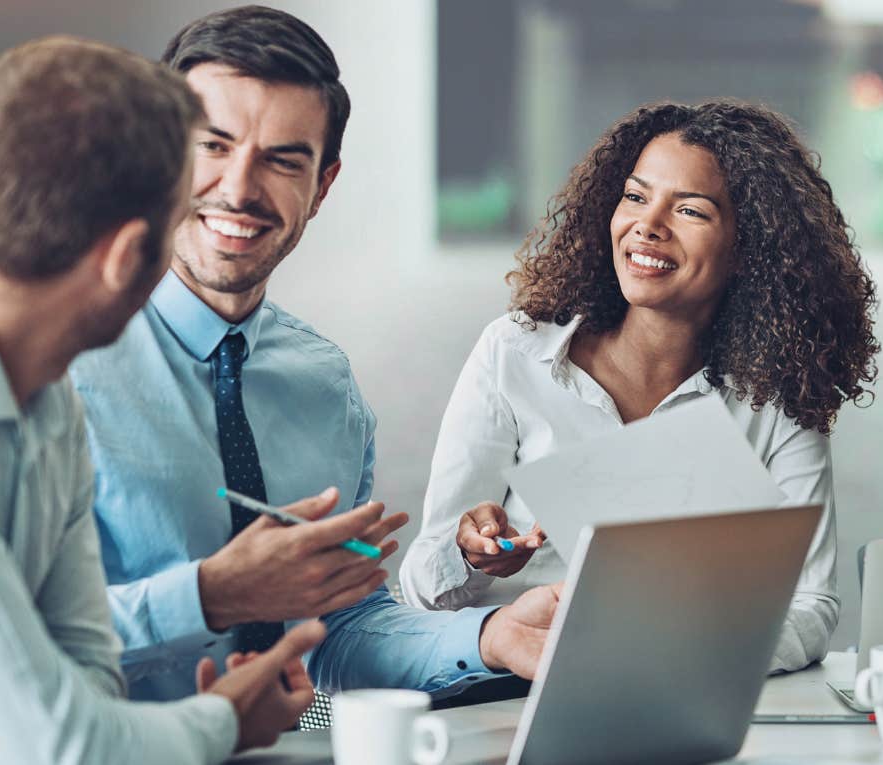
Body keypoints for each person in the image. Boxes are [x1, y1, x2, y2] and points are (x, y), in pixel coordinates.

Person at [68, 5, 558, 720]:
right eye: (213, 145)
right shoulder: (58, 366)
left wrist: (487, 635)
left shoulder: (324, 385)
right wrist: (213, 595)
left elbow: (338, 633)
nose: (239, 188)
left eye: (282, 159)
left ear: (322, 186)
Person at [0, 37, 328, 765]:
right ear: (128, 256)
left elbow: (84, 690)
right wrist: (218, 719)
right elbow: (59, 744)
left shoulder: (49, 398)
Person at [401, 101, 881, 672]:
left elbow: (810, 604)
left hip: (680, 691)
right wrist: (471, 557)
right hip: (506, 689)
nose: (647, 225)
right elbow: (420, 591)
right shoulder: (515, 354)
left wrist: (693, 653)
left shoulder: (775, 398)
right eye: (635, 196)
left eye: (691, 211)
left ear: (749, 248)